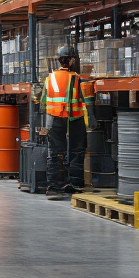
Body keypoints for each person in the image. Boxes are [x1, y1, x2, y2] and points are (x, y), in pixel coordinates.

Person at [43, 44, 94, 200]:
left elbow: (43, 101)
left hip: (53, 119)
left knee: (56, 153)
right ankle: (67, 183)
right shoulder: (75, 78)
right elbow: (86, 99)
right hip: (72, 118)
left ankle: (56, 186)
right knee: (76, 150)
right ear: (71, 61)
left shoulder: (50, 78)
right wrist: (91, 118)